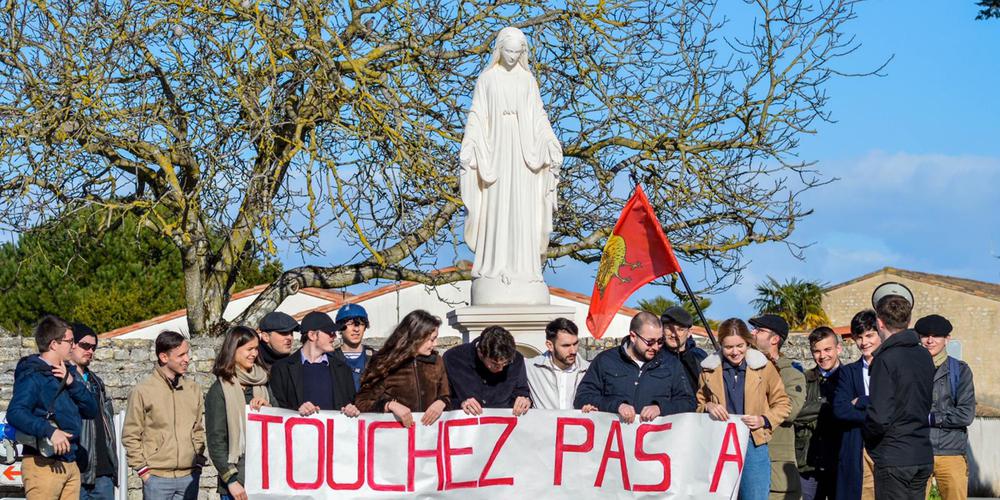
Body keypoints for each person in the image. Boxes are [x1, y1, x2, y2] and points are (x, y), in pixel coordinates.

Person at [459, 26, 562, 305]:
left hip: (524, 154)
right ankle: (495, 267)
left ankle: (525, 269)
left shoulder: (528, 81)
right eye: (509, 51)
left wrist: (550, 143)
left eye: (518, 53)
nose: (513, 57)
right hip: (495, 154)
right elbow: (477, 115)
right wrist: (469, 145)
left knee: (522, 210)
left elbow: (539, 116)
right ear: (499, 50)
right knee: (498, 209)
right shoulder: (487, 79)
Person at [697, 318, 791, 500]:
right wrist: (708, 407)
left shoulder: (764, 367)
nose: (734, 352)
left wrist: (764, 419)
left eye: (739, 345)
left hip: (753, 443)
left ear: (748, 342)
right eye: (728, 347)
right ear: (720, 346)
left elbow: (783, 403)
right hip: (719, 444)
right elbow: (699, 404)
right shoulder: (707, 370)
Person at [7, 315, 98, 500]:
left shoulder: (69, 373)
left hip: (71, 462)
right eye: (70, 341)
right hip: (43, 464)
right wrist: (49, 431)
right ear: (54, 344)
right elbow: (15, 413)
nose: (73, 346)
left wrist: (72, 383)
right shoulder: (32, 375)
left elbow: (91, 410)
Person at [863, 282, 934, 500]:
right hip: (921, 451)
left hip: (894, 456)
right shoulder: (924, 356)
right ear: (909, 321)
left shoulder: (885, 359)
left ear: (879, 323)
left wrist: (867, 435)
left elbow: (880, 417)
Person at [122, 330, 206, 500]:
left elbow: (198, 429)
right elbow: (131, 435)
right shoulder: (143, 391)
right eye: (181, 355)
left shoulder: (193, 389)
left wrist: (197, 463)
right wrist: (144, 472)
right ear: (164, 357)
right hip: (156, 479)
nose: (187, 359)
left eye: (187, 353)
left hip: (189, 477)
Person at [575, 312, 695, 422]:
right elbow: (583, 397)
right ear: (633, 336)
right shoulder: (605, 360)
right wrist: (617, 405)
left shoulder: (671, 364)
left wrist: (660, 408)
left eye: (660, 341)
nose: (656, 347)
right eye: (650, 341)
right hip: (613, 441)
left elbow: (688, 403)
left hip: (653, 442)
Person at [205, 326, 271, 500]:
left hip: (265, 479)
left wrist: (268, 408)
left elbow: (279, 427)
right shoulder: (219, 390)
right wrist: (231, 481)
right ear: (234, 349)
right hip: (236, 484)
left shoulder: (263, 384)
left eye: (256, 349)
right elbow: (216, 440)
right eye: (249, 349)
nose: (254, 354)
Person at [915, 314, 976, 500]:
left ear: (947, 338)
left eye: (936, 335)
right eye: (925, 335)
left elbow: (966, 414)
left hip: (951, 453)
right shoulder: (911, 369)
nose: (930, 340)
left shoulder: (961, 370)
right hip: (917, 450)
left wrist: (931, 418)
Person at [354, 310, 450, 427]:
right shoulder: (385, 363)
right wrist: (389, 405)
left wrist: (442, 402)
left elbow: (446, 395)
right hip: (396, 438)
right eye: (432, 339)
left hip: (429, 438)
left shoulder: (436, 361)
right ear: (417, 337)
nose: (435, 344)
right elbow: (361, 402)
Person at [749, 314, 806, 500]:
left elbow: (790, 411)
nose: (753, 333)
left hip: (775, 463)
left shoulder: (791, 373)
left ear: (775, 339)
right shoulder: (744, 368)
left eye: (760, 330)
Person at [268, 311, 360, 417]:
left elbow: (351, 403)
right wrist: (296, 411)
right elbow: (277, 410)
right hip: (298, 431)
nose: (334, 336)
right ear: (312, 335)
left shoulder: (343, 369)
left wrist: (351, 409)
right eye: (329, 332)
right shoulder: (281, 369)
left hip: (333, 432)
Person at [832, 309, 881, 500]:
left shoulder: (892, 367)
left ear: (880, 333)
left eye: (869, 335)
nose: (864, 342)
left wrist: (861, 400)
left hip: (889, 447)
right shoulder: (848, 372)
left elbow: (897, 404)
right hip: (858, 447)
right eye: (859, 337)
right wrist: (877, 412)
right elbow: (841, 410)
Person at [69, 323, 119, 500]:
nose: (90, 350)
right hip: (75, 469)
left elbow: (108, 427)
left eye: (93, 347)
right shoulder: (61, 379)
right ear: (71, 344)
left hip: (103, 471)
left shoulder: (97, 382)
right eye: (85, 345)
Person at [795, 326, 844, 500]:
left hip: (839, 459)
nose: (822, 356)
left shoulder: (849, 377)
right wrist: (830, 406)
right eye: (816, 351)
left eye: (827, 349)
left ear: (838, 348)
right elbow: (796, 412)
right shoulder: (803, 379)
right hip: (808, 461)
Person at [443, 325, 531, 416]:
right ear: (480, 352)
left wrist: (524, 400)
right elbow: (442, 399)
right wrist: (461, 404)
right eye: (495, 364)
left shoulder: (517, 360)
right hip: (467, 425)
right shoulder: (453, 359)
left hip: (505, 424)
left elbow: (522, 391)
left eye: (506, 363)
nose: (501, 369)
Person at [526, 317, 590, 410]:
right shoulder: (531, 368)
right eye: (566, 345)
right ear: (550, 345)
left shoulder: (589, 370)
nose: (573, 350)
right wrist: (524, 398)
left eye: (575, 344)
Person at [661, 306, 708, 395]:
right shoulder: (654, 357)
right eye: (669, 328)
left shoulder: (700, 357)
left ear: (689, 332)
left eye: (680, 329)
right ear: (662, 329)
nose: (674, 334)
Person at [332, 303, 377, 392]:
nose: (356, 329)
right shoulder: (331, 358)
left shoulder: (375, 358)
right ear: (340, 327)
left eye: (360, 324)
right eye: (350, 324)